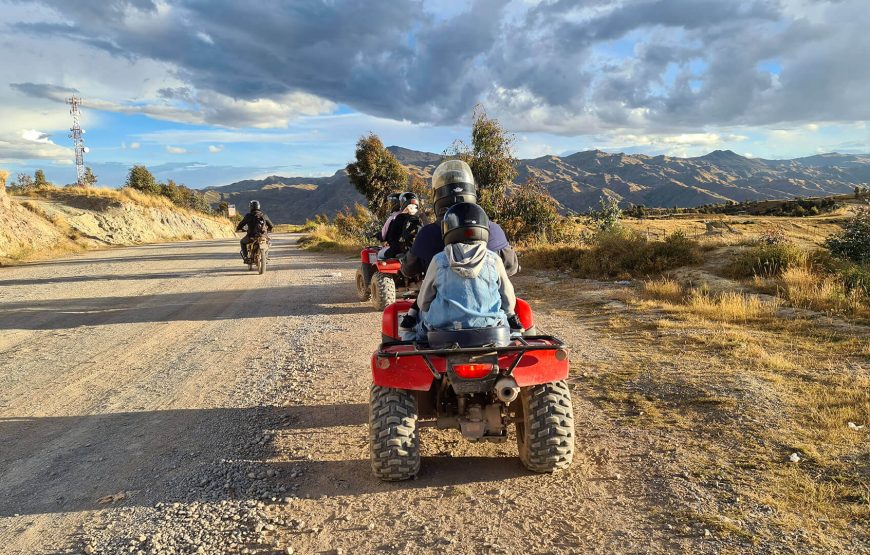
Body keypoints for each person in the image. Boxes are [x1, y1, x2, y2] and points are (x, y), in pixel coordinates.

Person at [414, 202, 523, 341]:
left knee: (415, 326)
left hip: (444, 332)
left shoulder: (439, 260)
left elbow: (423, 302)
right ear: (483, 229)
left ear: (448, 230)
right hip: (491, 330)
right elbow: (508, 299)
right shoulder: (494, 259)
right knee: (515, 332)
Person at [401, 160, 518, 278]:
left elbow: (408, 270)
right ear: (471, 191)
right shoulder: (494, 230)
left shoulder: (427, 234)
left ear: (438, 196)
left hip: (442, 296)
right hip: (490, 295)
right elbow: (512, 267)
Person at [382, 192, 422, 259]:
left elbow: (391, 236)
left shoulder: (399, 217)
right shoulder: (421, 217)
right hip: (419, 250)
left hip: (402, 251)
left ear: (403, 203)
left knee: (381, 254)